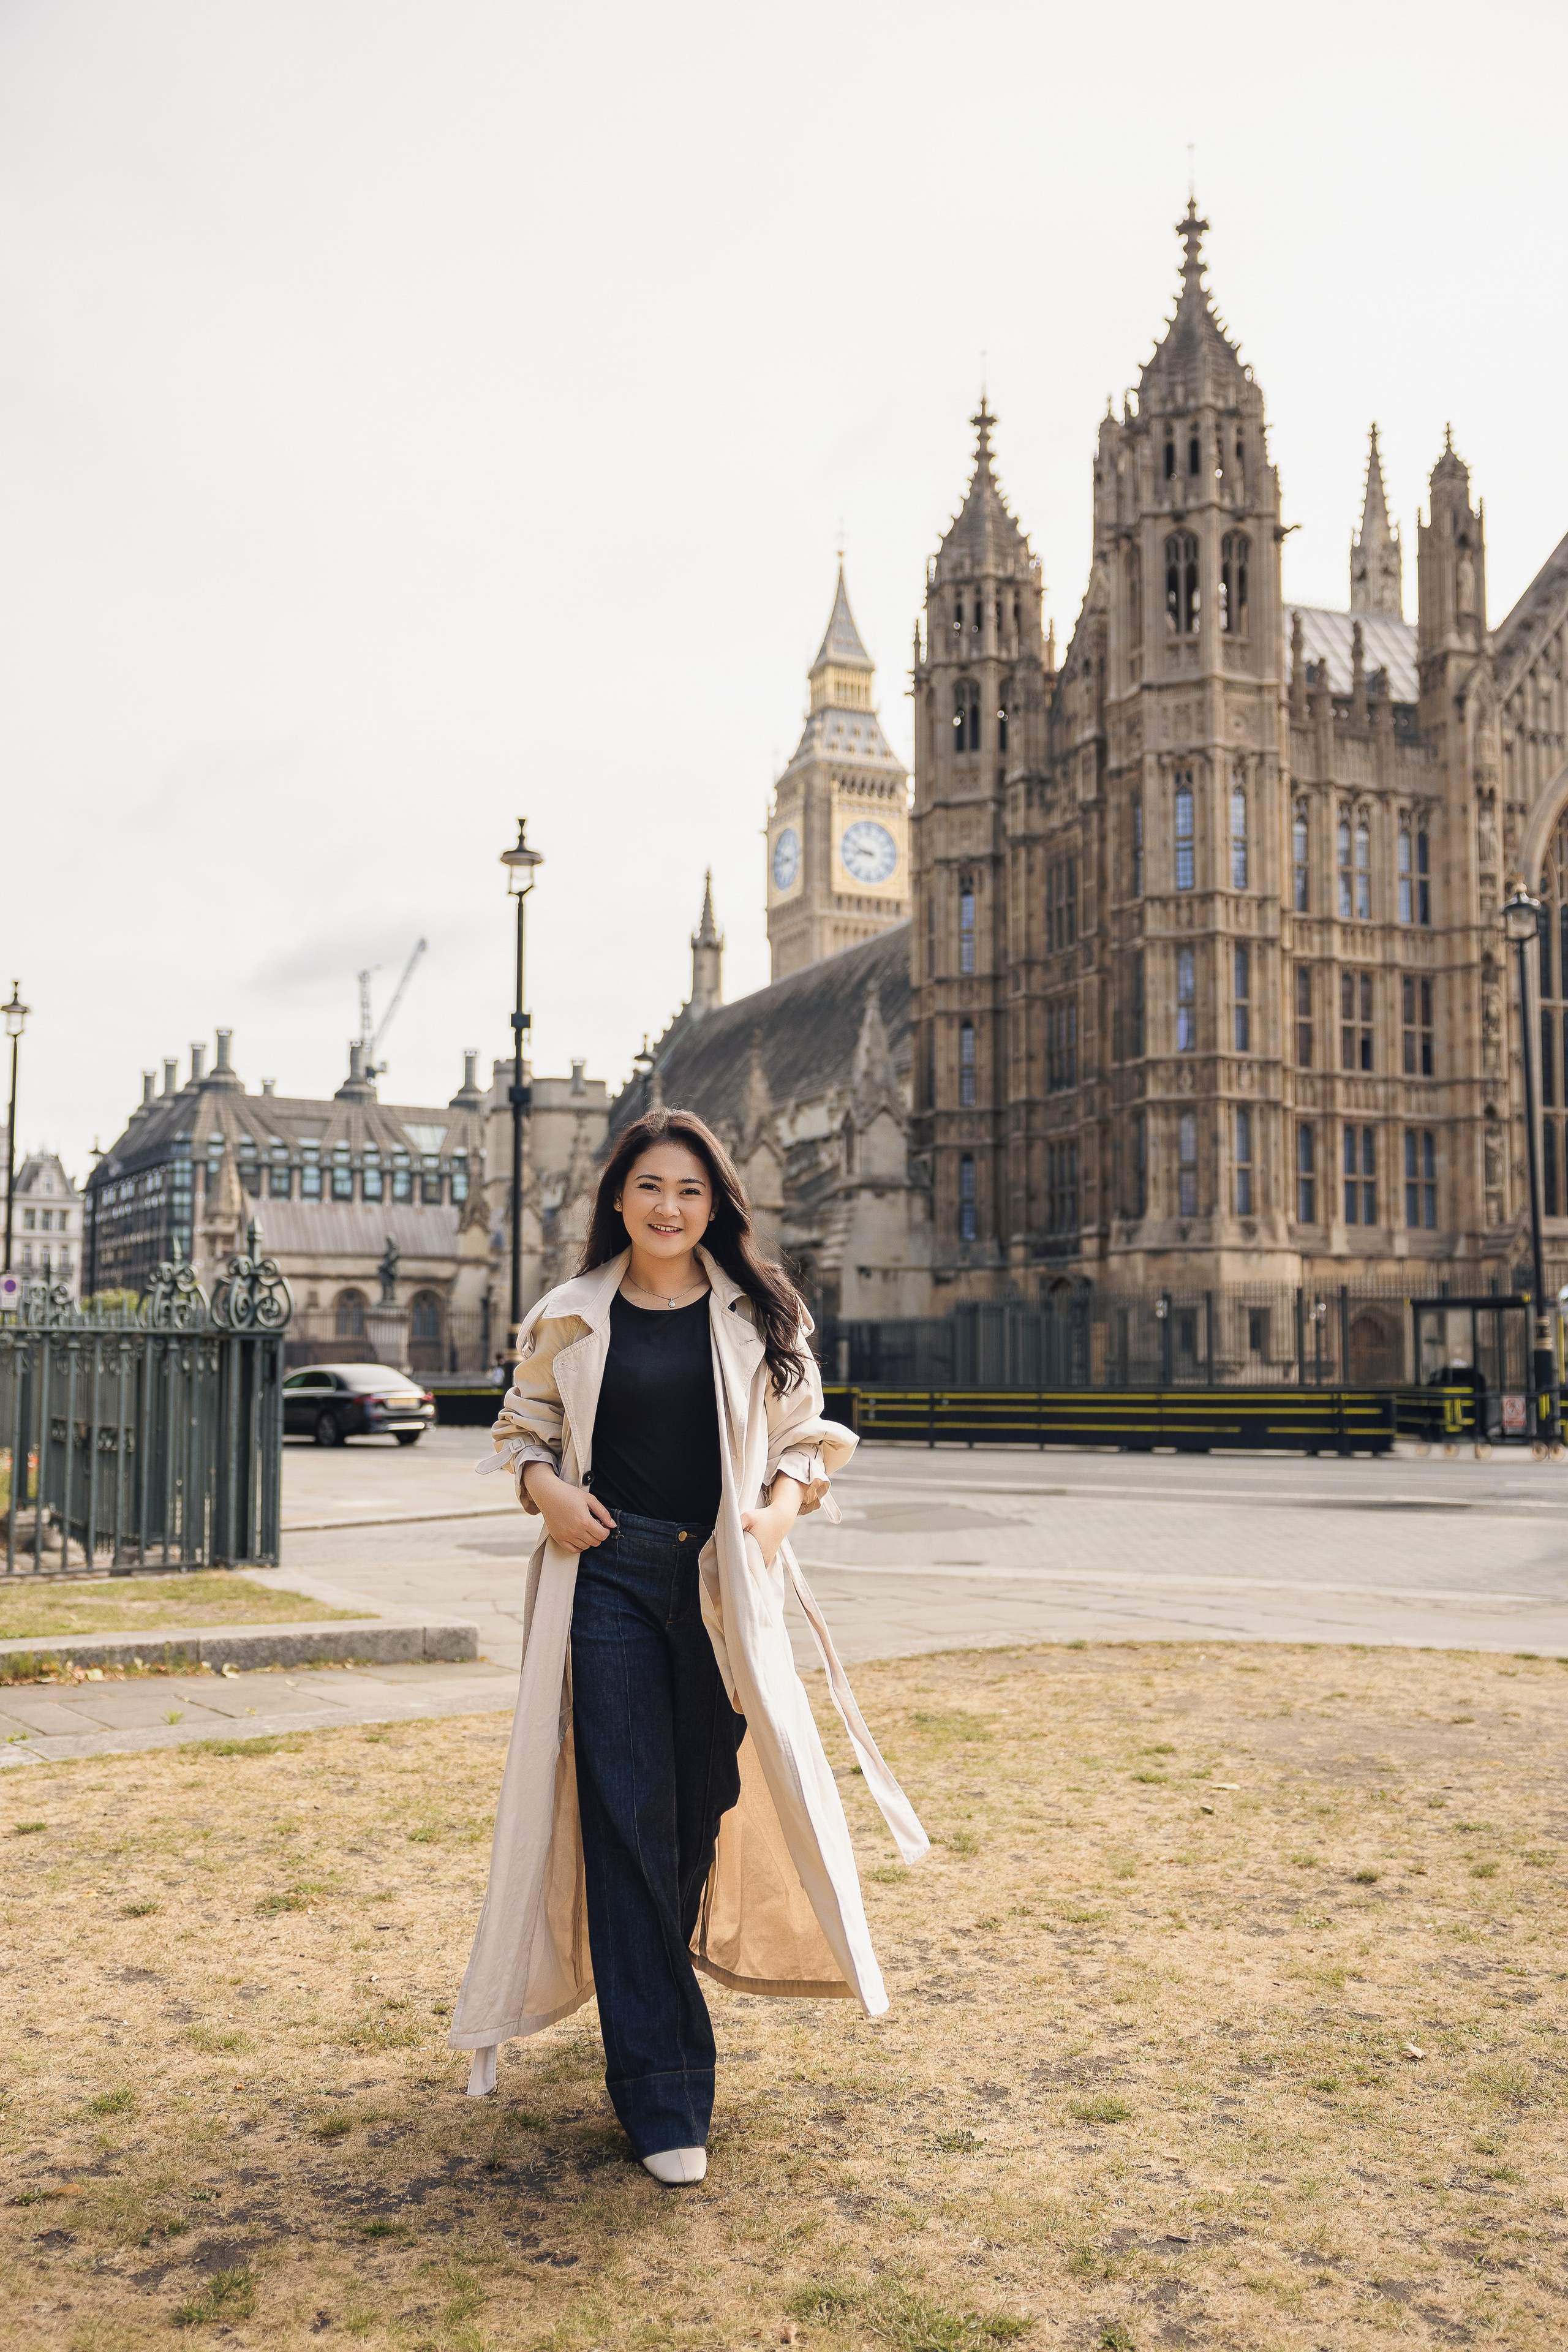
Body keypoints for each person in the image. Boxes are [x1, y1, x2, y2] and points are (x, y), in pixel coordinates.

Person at [449, 1107, 926, 2185]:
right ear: (618, 1196)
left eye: (691, 1191)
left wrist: (779, 1512)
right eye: (651, 1187)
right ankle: (662, 2088)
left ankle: (652, 1984)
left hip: (718, 1587)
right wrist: (548, 1493)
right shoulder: (569, 1314)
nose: (670, 1207)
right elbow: (520, 1426)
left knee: (697, 1805)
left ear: (717, 1205)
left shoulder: (763, 1312)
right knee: (624, 1816)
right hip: (607, 1577)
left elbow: (810, 1434)